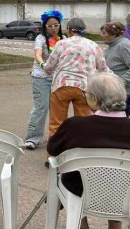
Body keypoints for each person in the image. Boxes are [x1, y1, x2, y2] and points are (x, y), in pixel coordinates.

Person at [47, 73, 130, 229]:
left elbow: (53, 150)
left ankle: (82, 227)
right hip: (126, 194)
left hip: (81, 191)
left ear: (94, 99)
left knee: (74, 175)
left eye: (86, 95)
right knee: (121, 176)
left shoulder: (74, 126)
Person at [42, 18, 109, 149]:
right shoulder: (94, 45)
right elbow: (103, 68)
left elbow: (49, 67)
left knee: (57, 123)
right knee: (84, 123)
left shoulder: (61, 44)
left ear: (69, 30)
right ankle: (82, 154)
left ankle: (53, 156)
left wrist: (43, 65)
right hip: (85, 88)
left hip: (62, 86)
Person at [23, 10, 63, 150]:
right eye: (50, 25)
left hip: (57, 79)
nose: (53, 28)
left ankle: (56, 138)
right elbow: (38, 54)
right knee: (41, 107)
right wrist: (42, 64)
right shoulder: (40, 38)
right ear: (45, 26)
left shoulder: (62, 40)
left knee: (57, 109)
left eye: (56, 25)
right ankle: (32, 139)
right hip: (41, 77)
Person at [101, 22, 130, 117]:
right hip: (116, 91)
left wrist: (120, 81)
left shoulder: (123, 45)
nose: (101, 35)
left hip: (125, 92)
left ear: (113, 34)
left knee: (120, 122)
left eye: (104, 33)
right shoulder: (112, 45)